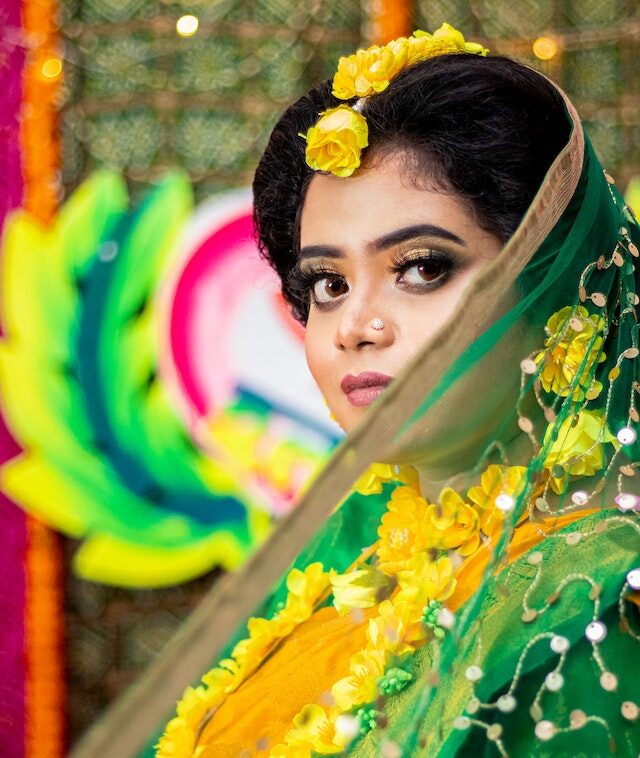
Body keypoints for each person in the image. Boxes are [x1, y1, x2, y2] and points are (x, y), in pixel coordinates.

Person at [156, 24, 640, 757]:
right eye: (327, 283)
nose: (356, 325)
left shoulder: (591, 608)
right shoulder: (343, 568)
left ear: (549, 286)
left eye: (420, 267)